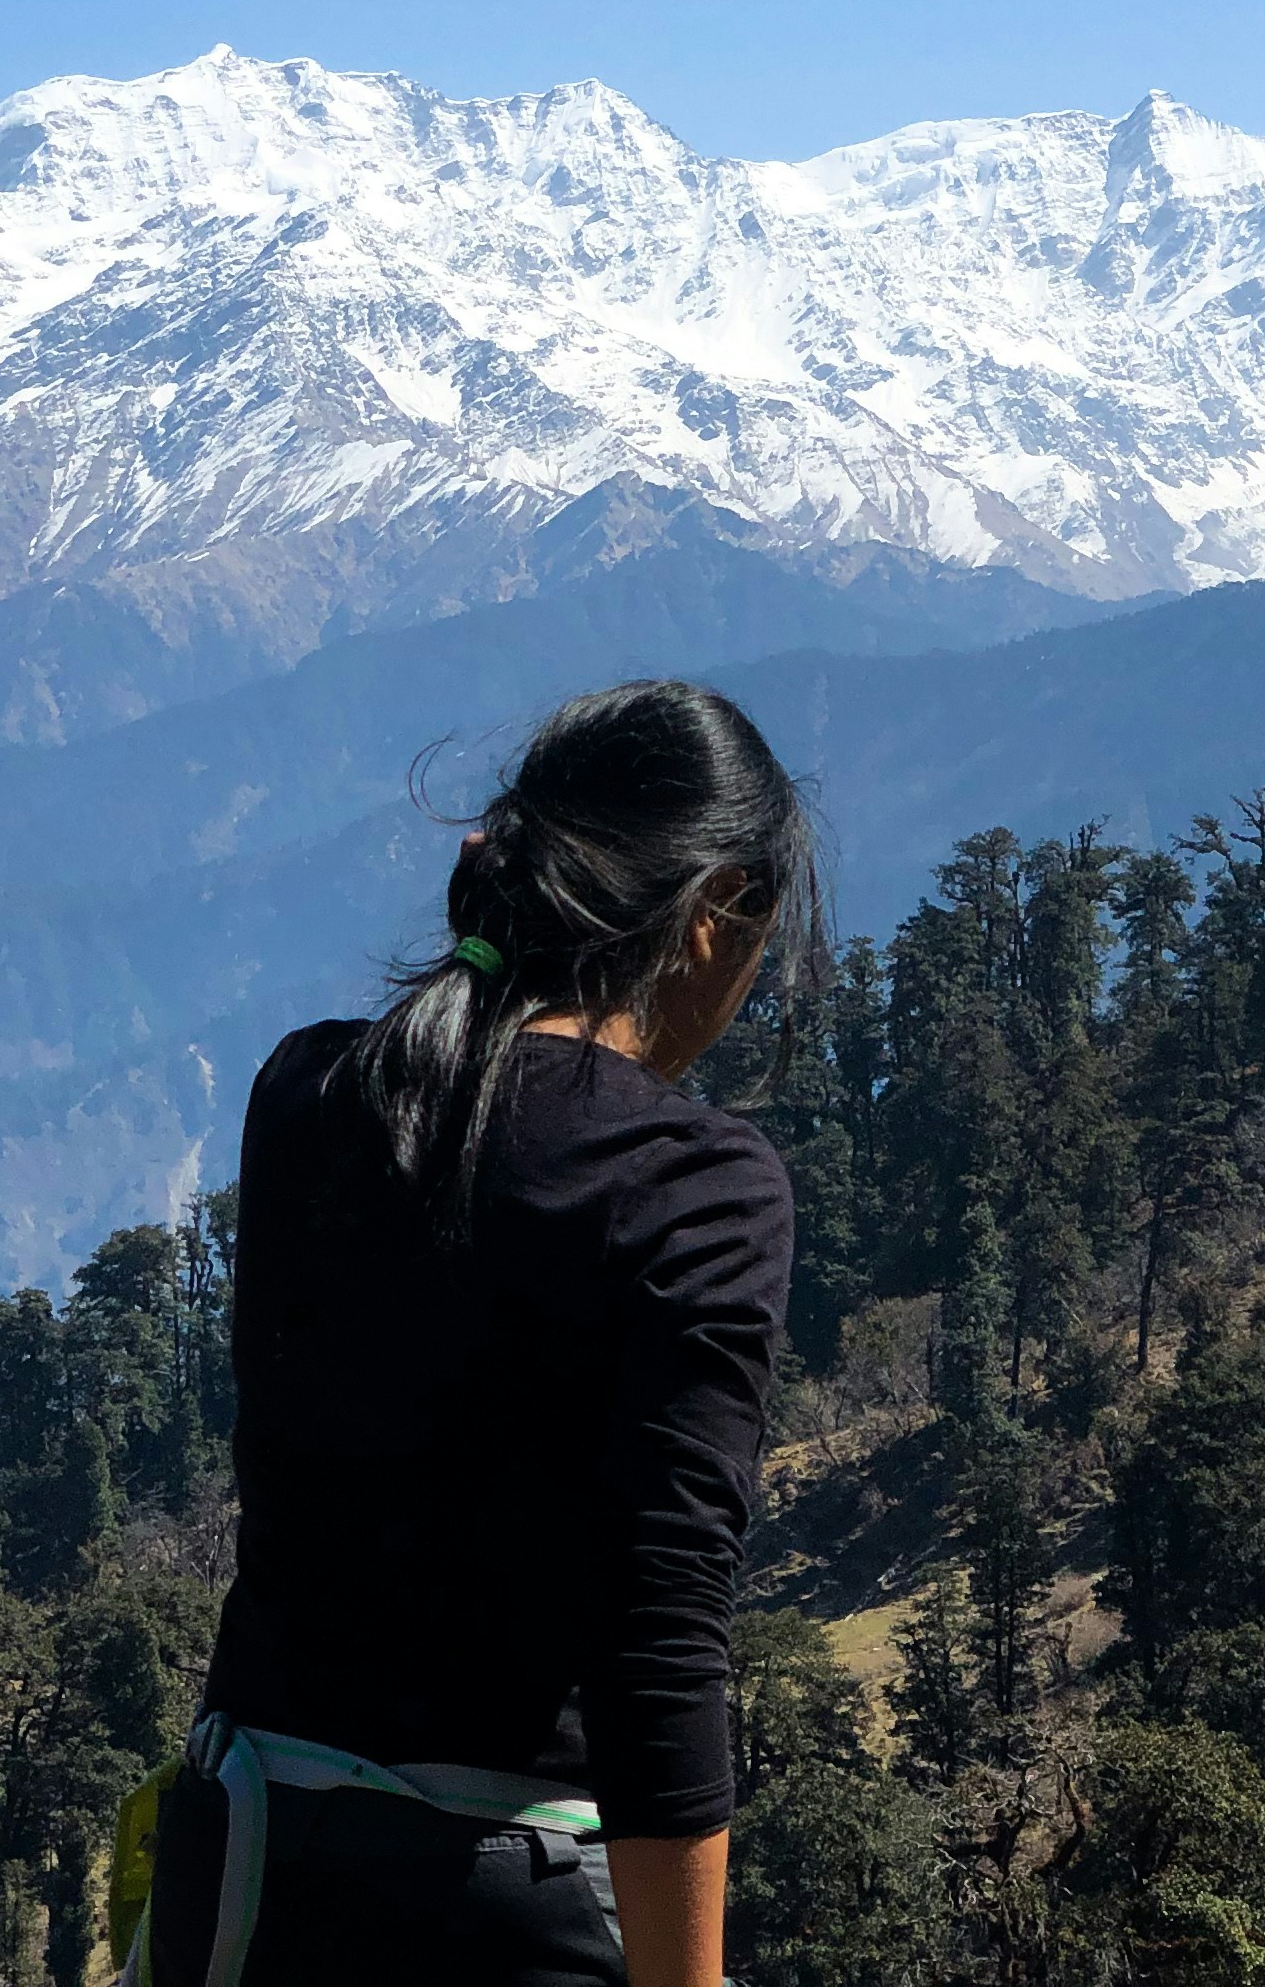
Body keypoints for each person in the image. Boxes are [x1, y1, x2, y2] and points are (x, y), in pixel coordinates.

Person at [132, 678, 818, 1987]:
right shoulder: (693, 1189)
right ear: (717, 916)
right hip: (502, 1917)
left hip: (245, 1882)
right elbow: (659, 1642)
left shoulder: (309, 1096)